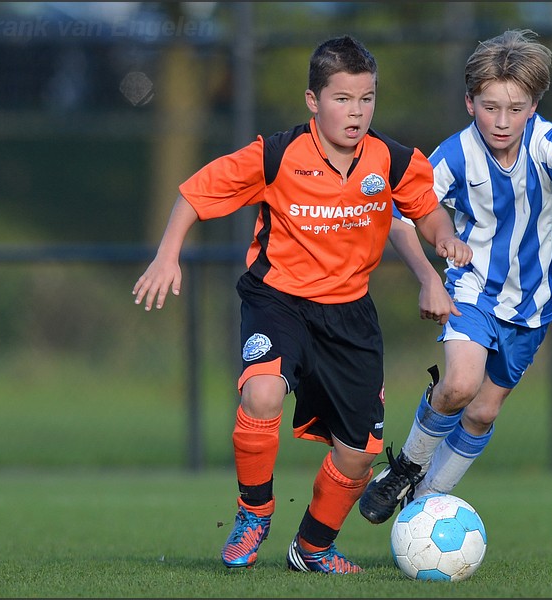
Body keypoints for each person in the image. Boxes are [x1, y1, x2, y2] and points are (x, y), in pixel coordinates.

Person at [131, 35, 471, 574]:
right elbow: (194, 193)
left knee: (359, 454)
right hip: (278, 300)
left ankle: (312, 548)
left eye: (366, 99)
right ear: (313, 100)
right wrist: (167, 255)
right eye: (342, 99)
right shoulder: (276, 153)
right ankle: (254, 513)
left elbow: (425, 211)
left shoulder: (393, 159)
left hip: (350, 315)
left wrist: (443, 241)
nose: (356, 112)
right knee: (263, 392)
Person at [359, 28, 552, 525]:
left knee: (482, 412)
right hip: (473, 290)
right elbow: (401, 216)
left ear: (534, 105)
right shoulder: (454, 154)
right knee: (458, 385)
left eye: (515, 108)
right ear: (469, 102)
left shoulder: (545, 140)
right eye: (490, 107)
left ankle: (426, 503)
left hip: (533, 304)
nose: (502, 121)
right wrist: (431, 272)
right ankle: (407, 466)